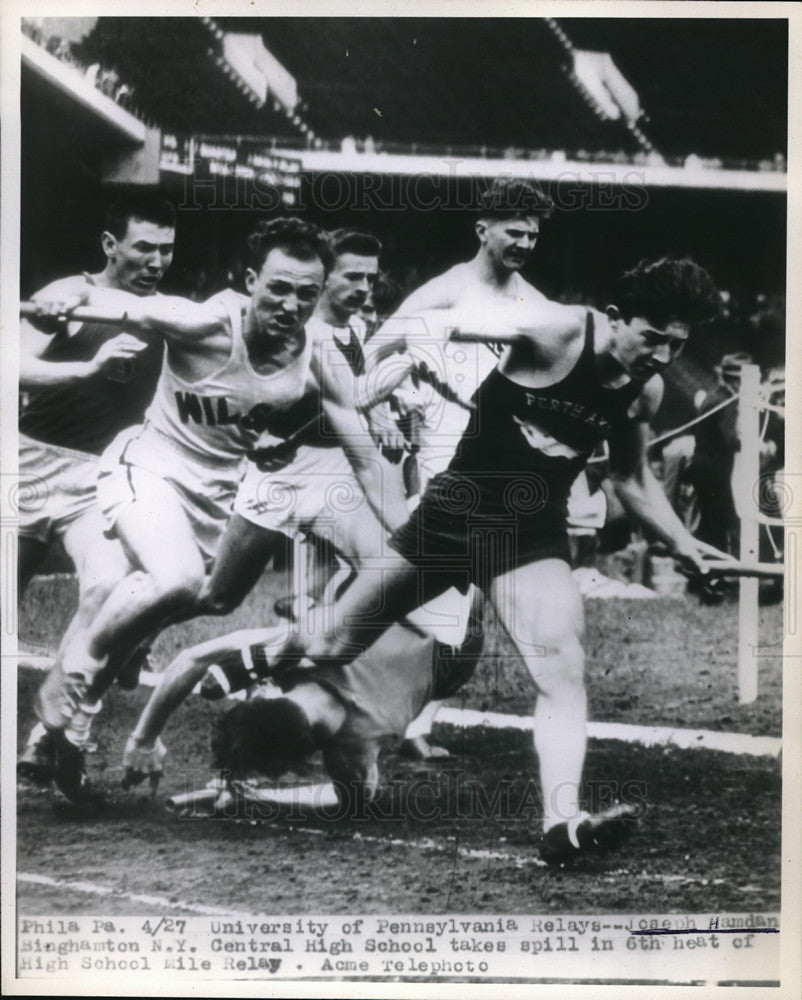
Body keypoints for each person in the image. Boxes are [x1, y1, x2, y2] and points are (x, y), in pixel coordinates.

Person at [270, 253, 720, 864]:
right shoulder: (556, 330)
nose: (663, 356)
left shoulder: (647, 390)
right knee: (328, 649)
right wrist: (371, 372)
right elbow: (435, 319)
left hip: (526, 533)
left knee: (561, 663)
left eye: (677, 344)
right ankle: (249, 682)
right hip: (449, 515)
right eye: (654, 338)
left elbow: (632, 478)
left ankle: (562, 823)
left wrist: (684, 543)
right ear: (615, 318)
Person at [27, 218, 402, 800]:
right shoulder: (204, 323)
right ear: (250, 280)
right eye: (278, 287)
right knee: (174, 580)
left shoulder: (319, 353)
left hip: (216, 496)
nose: (291, 303)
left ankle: (76, 722)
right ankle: (72, 674)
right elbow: (125, 306)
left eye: (307, 292)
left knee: (192, 597)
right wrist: (66, 296)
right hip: (146, 468)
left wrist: (409, 530)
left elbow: (365, 457)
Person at [17, 193, 175, 780]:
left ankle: (48, 736)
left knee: (109, 587)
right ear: (111, 245)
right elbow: (11, 363)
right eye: (143, 247)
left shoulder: (170, 313)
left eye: (167, 250)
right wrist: (87, 366)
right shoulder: (74, 293)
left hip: (99, 479)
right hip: (27, 464)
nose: (156, 260)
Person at [198, 229, 409, 621]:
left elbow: (352, 398)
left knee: (384, 571)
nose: (365, 288)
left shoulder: (357, 329)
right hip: (283, 470)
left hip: (338, 468)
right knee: (219, 597)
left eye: (370, 278)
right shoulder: (299, 332)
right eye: (352, 277)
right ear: (324, 278)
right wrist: (377, 412)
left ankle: (300, 658)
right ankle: (141, 628)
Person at [120, 596, 485, 805]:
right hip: (445, 637)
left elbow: (354, 799)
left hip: (448, 651)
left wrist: (261, 797)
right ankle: (306, 603)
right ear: (263, 695)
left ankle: (307, 603)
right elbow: (193, 659)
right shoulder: (306, 648)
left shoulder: (354, 745)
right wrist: (144, 738)